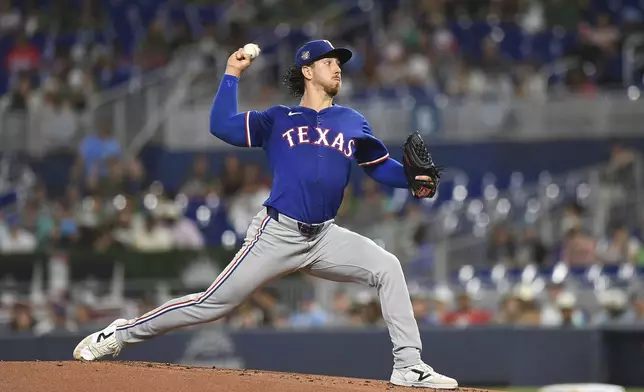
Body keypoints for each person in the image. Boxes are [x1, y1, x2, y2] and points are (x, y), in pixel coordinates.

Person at [72, 40, 457, 389]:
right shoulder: (279, 118)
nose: (337, 67)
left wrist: (411, 179)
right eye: (329, 62)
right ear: (307, 70)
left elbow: (378, 165)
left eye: (339, 63)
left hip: (324, 237)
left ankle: (408, 365)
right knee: (212, 303)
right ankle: (120, 334)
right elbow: (221, 126)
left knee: (387, 266)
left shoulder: (352, 121)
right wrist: (232, 73)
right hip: (277, 233)